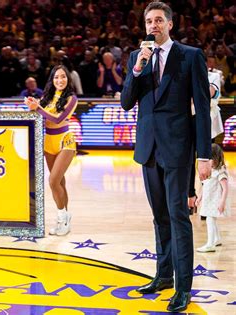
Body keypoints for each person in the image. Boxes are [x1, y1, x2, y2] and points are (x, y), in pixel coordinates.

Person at [120, 2, 211, 312]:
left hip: (177, 149)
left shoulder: (190, 56)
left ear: (170, 24)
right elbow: (126, 103)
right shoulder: (137, 57)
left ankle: (183, 287)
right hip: (148, 149)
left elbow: (201, 109)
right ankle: (163, 276)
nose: (153, 25)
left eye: (159, 20)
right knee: (159, 217)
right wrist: (137, 69)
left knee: (178, 218)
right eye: (149, 20)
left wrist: (204, 155)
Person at [24, 65, 78, 236]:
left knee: (53, 181)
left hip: (65, 141)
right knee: (60, 182)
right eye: (56, 77)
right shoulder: (46, 98)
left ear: (68, 79)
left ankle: (63, 217)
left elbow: (59, 118)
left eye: (63, 77)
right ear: (52, 80)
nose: (60, 80)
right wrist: (32, 107)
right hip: (48, 142)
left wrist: (38, 108)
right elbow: (40, 118)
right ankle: (64, 220)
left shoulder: (72, 98)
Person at [188, 64, 224, 215]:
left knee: (209, 162)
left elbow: (208, 93)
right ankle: (190, 196)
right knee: (189, 161)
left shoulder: (213, 76)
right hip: (189, 122)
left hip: (208, 124)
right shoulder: (187, 76)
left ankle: (207, 199)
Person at [195, 144, 230, 252]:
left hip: (215, 201)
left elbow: (225, 189)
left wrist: (222, 202)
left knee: (210, 220)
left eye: (211, 159)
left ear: (216, 158)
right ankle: (217, 239)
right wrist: (199, 197)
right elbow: (205, 185)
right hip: (208, 200)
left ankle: (210, 244)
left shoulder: (220, 172)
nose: (209, 162)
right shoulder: (210, 170)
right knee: (212, 220)